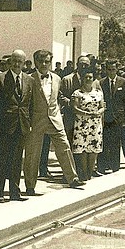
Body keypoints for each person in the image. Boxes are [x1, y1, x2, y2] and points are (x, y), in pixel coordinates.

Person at [24, 49, 82, 192]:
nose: (44, 64)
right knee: (32, 154)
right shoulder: (29, 79)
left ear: (50, 62)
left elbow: (57, 97)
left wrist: (70, 102)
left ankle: (73, 178)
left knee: (64, 147)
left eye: (47, 61)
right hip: (36, 121)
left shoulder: (57, 78)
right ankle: (30, 185)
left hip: (55, 119)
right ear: (36, 62)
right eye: (41, 61)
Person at [0, 49, 34, 202]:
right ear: (9, 61)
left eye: (20, 61)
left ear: (24, 63)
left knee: (16, 160)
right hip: (4, 126)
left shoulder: (29, 80)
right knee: (0, 159)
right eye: (14, 61)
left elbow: (30, 104)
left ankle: (14, 192)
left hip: (21, 126)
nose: (16, 64)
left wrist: (29, 123)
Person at [71, 69, 105, 181]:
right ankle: (83, 175)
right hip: (82, 125)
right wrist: (86, 113)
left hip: (95, 125)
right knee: (83, 150)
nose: (88, 79)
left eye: (90, 77)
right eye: (86, 77)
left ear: (93, 78)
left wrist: (98, 112)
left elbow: (102, 106)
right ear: (82, 78)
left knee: (93, 149)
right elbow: (75, 108)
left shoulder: (98, 93)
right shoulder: (77, 93)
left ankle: (89, 175)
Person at [97, 60, 125, 174]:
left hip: (118, 118)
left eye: (113, 69)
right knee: (104, 142)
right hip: (105, 117)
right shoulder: (101, 83)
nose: (111, 72)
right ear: (106, 70)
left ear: (117, 70)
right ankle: (102, 166)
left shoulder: (124, 82)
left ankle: (115, 166)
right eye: (109, 70)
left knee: (115, 142)